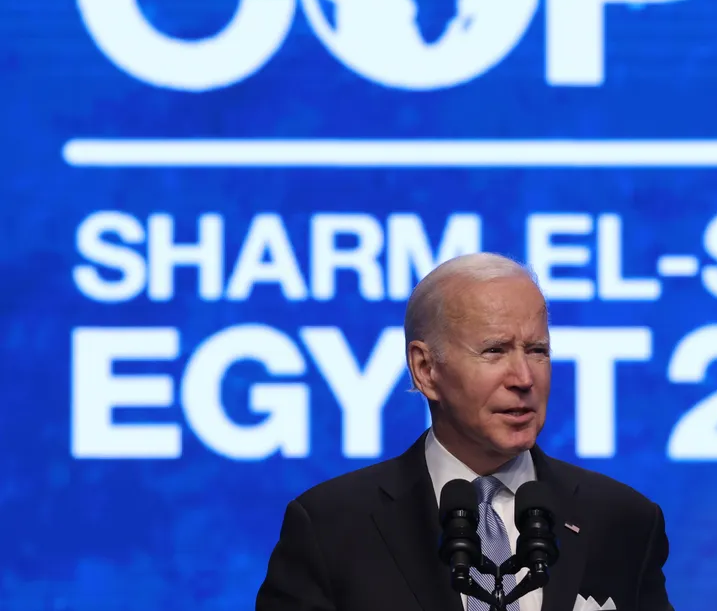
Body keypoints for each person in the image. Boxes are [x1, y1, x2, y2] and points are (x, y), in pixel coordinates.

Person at [255, 253, 674, 611]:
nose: (524, 377)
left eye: (537, 350)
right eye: (494, 350)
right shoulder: (331, 527)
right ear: (426, 369)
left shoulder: (623, 521)